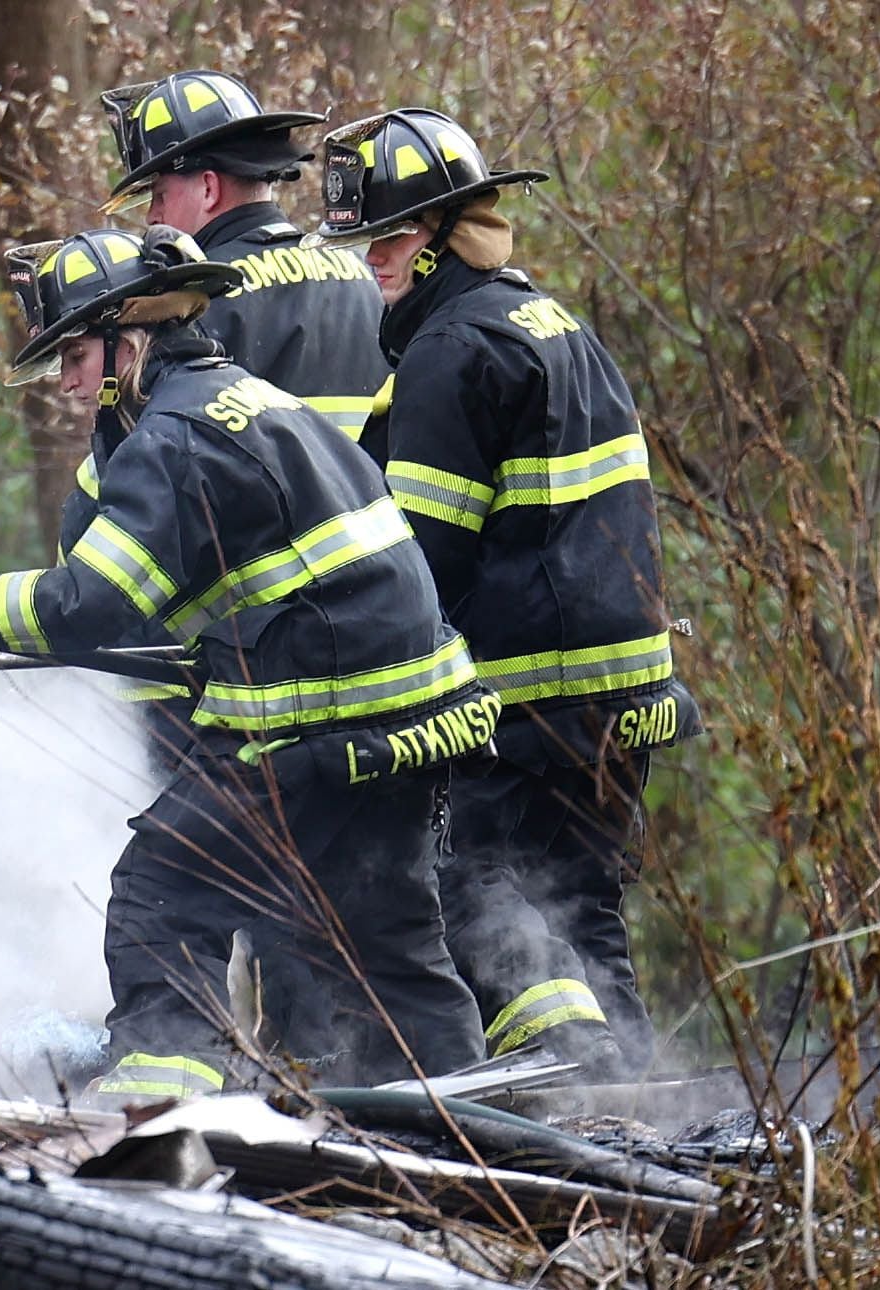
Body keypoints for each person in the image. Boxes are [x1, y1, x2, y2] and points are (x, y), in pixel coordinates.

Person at [0, 225, 493, 1095]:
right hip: (413, 717)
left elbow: (95, 602)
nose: (65, 382)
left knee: (163, 896)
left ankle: (162, 1109)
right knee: (384, 940)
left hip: (316, 723)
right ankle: (477, 1131)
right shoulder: (249, 400)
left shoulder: (174, 437)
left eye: (75, 355)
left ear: (130, 336)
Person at [305, 108, 702, 1077]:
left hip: (525, 705)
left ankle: (566, 1070)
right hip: (623, 700)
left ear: (444, 235)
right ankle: (639, 1126)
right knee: (582, 910)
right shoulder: (556, 325)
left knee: (467, 882)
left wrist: (332, 663)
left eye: (391, 240)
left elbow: (417, 559)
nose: (374, 263)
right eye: (367, 244)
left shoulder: (448, 354)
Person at [99, 69, 393, 452]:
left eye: (159, 195)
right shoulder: (369, 275)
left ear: (208, 188)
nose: (151, 217)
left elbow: (163, 459)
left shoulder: (200, 300)